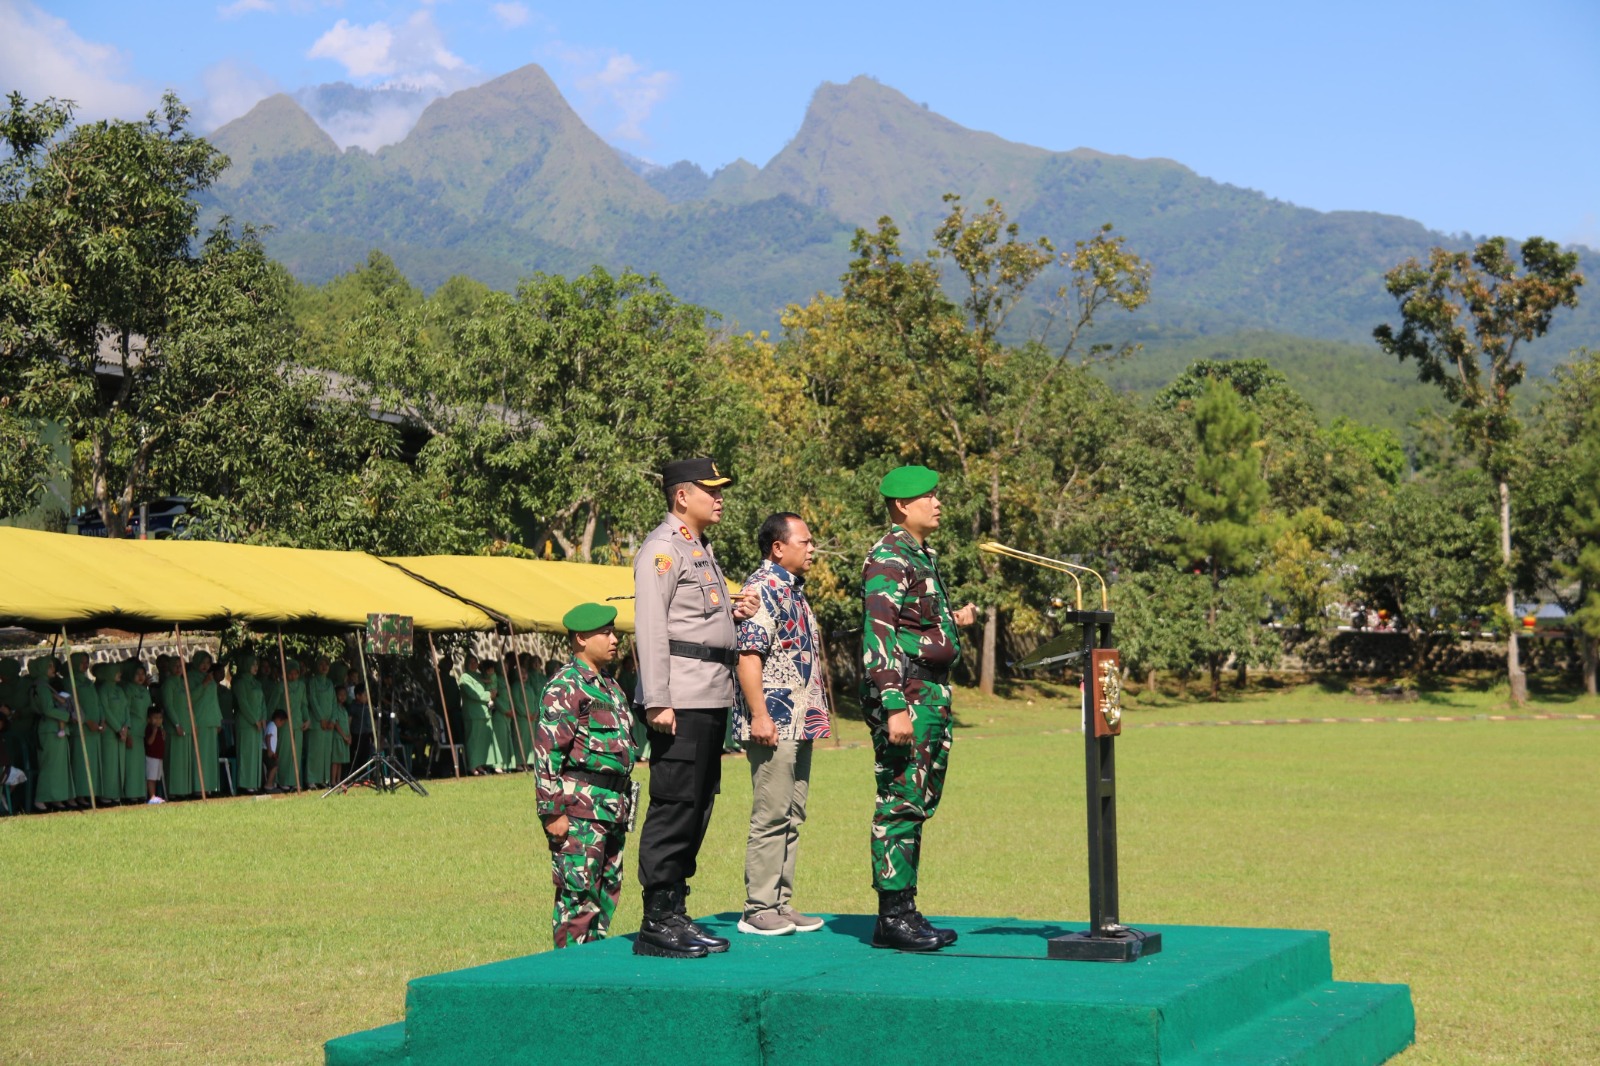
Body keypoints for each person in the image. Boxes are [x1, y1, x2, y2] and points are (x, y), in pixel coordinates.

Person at [631, 456, 758, 958]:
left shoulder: (697, 547)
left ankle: (676, 909)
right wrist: (657, 700)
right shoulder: (662, 549)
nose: (720, 496)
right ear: (682, 496)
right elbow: (652, 627)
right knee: (675, 804)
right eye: (711, 489)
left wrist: (732, 608)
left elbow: (694, 615)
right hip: (679, 698)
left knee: (699, 803)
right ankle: (657, 920)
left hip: (708, 693)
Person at [860, 465, 979, 952]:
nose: (938, 503)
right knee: (900, 800)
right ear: (902, 505)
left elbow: (912, 623)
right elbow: (879, 634)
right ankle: (893, 916)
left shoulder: (918, 554)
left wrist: (951, 622)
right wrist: (893, 706)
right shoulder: (889, 556)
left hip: (927, 691)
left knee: (918, 800)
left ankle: (904, 908)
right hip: (907, 694)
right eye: (928, 497)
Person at [732, 513, 831, 936]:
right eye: (805, 542)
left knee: (792, 813)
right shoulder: (763, 589)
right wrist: (759, 715)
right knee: (771, 813)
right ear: (778, 547)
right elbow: (748, 656)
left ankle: (780, 903)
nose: (812, 549)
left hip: (798, 721)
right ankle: (758, 909)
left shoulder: (793, 590)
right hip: (773, 720)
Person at [535, 603, 643, 947]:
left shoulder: (609, 685)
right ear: (581, 638)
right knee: (577, 900)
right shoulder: (566, 686)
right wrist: (551, 812)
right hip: (580, 810)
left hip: (612, 807)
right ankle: (568, 978)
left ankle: (591, 973)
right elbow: (547, 753)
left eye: (614, 632)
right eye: (605, 633)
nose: (614, 639)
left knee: (607, 893)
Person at [29, 658, 71, 812]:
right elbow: (47, 709)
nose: (53, 669)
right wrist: (66, 716)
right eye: (49, 666)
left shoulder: (43, 685)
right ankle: (42, 798)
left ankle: (55, 797)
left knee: (57, 766)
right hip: (49, 728)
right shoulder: (41, 687)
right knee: (49, 765)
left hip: (51, 727)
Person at [159, 656, 196, 799]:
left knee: (184, 761)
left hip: (186, 726)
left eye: (181, 666)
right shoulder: (168, 684)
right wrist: (176, 723)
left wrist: (191, 723)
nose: (178, 669)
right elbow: (168, 705)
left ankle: (184, 790)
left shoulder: (183, 683)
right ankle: (173, 791)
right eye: (175, 666)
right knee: (174, 760)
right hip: (174, 728)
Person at [93, 661, 127, 804]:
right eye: (116, 671)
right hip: (110, 733)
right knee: (109, 763)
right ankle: (107, 794)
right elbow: (105, 711)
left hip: (122, 733)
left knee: (120, 764)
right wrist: (118, 728)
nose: (119, 674)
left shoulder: (120, 690)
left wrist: (126, 727)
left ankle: (117, 793)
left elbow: (126, 709)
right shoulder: (103, 690)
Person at [230, 653, 265, 794]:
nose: (256, 667)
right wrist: (253, 720)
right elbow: (243, 703)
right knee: (246, 753)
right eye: (253, 664)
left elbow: (262, 703)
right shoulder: (240, 683)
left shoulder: (257, 683)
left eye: (257, 664)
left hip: (258, 724)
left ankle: (255, 783)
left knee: (256, 753)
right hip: (246, 723)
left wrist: (263, 717)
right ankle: (245, 784)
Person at [120, 661, 152, 805]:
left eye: (142, 674)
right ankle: (131, 794)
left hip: (143, 731)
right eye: (137, 674)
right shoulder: (127, 689)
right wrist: (128, 733)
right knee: (132, 764)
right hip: (133, 730)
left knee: (140, 764)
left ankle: (140, 793)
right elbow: (125, 710)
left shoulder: (144, 690)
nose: (140, 677)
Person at [458, 654, 495, 774]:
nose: (474, 664)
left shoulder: (479, 676)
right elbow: (473, 693)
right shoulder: (465, 678)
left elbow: (491, 682)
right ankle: (472, 765)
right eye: (471, 662)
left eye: (475, 662)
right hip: (472, 713)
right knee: (473, 740)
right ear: (466, 664)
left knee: (482, 740)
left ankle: (480, 764)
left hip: (484, 713)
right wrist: (488, 695)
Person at [304, 657, 336, 788]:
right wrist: (321, 718)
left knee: (326, 753)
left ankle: (324, 779)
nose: (324, 667)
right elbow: (313, 699)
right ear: (317, 666)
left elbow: (334, 703)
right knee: (314, 752)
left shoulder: (330, 683)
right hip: (317, 723)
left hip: (328, 725)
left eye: (327, 664)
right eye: (321, 664)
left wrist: (332, 720)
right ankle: (311, 780)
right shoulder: (312, 681)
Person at [144, 706, 166, 803]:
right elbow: (149, 742)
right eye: (155, 718)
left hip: (158, 756)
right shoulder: (149, 729)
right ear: (149, 719)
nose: (158, 720)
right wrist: (154, 732)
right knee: (151, 777)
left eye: (160, 718)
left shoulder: (161, 729)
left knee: (156, 777)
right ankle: (152, 796)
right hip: (151, 757)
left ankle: (155, 795)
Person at [263, 708, 287, 791]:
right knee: (274, 767)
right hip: (266, 750)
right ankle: (268, 785)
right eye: (282, 722)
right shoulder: (272, 726)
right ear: (278, 719)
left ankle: (270, 783)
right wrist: (269, 750)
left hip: (269, 751)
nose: (282, 725)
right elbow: (268, 737)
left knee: (273, 766)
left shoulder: (272, 726)